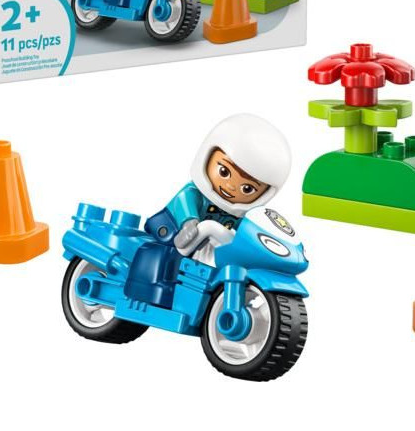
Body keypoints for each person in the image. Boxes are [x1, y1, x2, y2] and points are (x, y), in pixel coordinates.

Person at [125, 114, 292, 306]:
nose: (231, 187)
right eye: (224, 172)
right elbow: (184, 204)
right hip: (173, 232)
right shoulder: (192, 193)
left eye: (247, 188)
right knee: (163, 255)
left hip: (206, 242)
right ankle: (148, 292)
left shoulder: (238, 213)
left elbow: (246, 229)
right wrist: (189, 223)